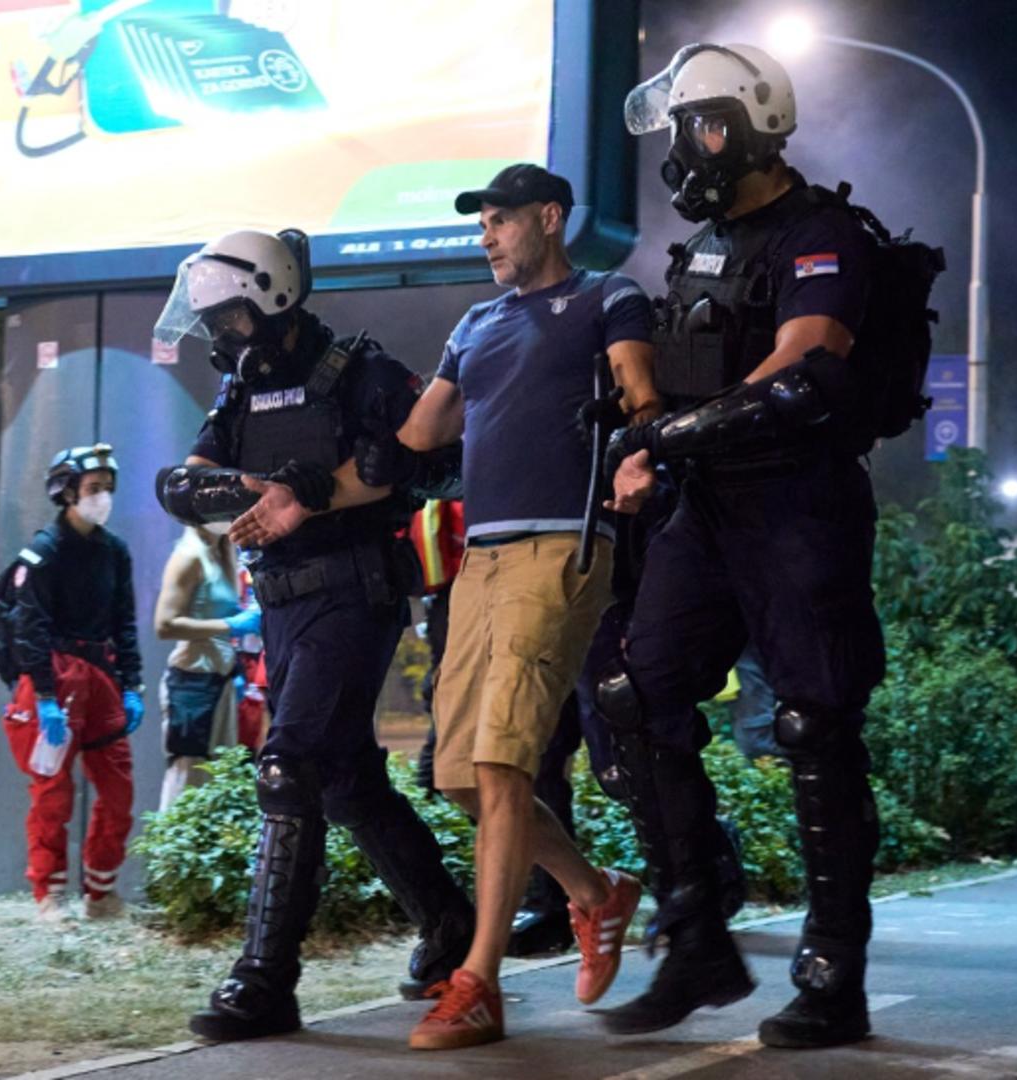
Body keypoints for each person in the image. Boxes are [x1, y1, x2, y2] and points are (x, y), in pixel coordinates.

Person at [597, 43, 901, 1047]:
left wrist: (677, 436)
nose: (688, 149)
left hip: (796, 503)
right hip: (708, 507)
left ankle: (832, 973)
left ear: (751, 125)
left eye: (702, 126)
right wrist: (646, 433)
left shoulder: (823, 234)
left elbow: (803, 356)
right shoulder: (707, 247)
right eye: (683, 131)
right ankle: (698, 940)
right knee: (636, 698)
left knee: (816, 726)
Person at [152, 227, 475, 1043]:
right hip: (283, 607)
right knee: (343, 783)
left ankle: (266, 981)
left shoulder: (361, 375)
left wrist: (332, 484)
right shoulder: (237, 396)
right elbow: (182, 484)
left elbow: (437, 460)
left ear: (274, 301)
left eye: (228, 319)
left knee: (287, 766)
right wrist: (244, 485)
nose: (221, 338)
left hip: (353, 595)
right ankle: (452, 926)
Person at [369, 163, 659, 1050]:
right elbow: (419, 434)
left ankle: (479, 985)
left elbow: (641, 394)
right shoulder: (475, 322)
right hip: (479, 563)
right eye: (480, 223)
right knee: (456, 773)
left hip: (561, 549)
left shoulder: (607, 297)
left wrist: (639, 453)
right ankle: (596, 893)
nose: (486, 235)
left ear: (550, 218)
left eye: (500, 220)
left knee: (501, 767)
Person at [2, 443, 143, 922]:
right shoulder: (42, 554)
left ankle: (100, 892)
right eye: (92, 489)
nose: (102, 497)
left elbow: (124, 621)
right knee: (51, 794)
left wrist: (132, 684)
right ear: (66, 493)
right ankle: (50, 894)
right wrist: (44, 697)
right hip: (55, 678)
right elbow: (30, 627)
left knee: (119, 792)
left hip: (100, 676)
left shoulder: (114, 552)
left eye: (107, 488)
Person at [152, 522, 260, 811]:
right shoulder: (189, 555)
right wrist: (230, 625)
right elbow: (164, 624)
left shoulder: (223, 548)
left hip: (220, 678)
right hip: (193, 680)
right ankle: (172, 857)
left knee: (216, 783)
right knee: (187, 781)